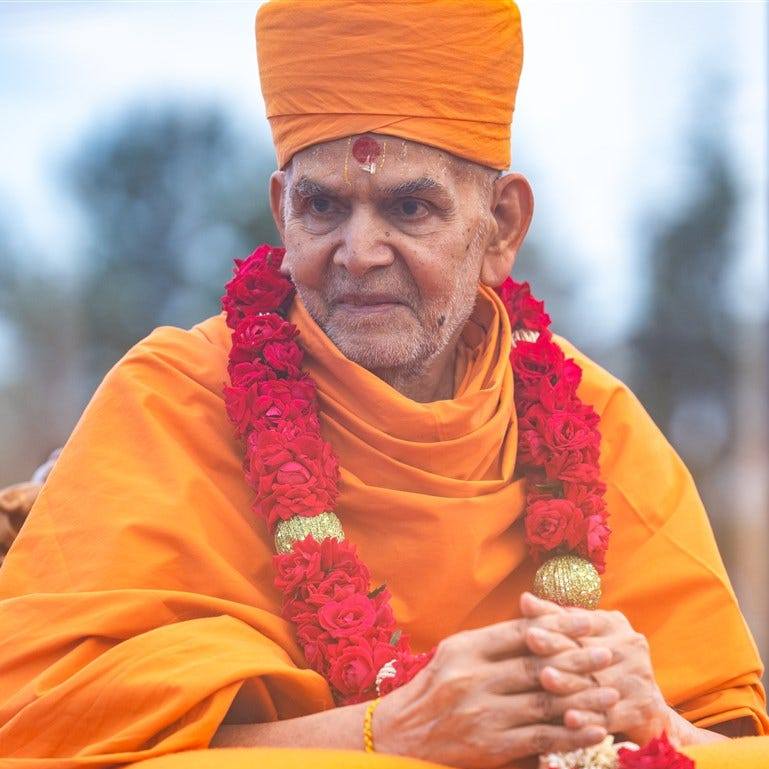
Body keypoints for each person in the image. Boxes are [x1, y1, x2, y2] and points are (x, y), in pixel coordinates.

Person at [0, 2, 767, 768]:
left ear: (499, 224)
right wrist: (384, 737)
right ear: (281, 212)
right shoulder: (170, 403)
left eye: (409, 206)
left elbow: (734, 742)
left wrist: (655, 719)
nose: (359, 251)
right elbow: (38, 730)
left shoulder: (601, 431)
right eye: (324, 206)